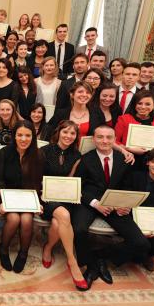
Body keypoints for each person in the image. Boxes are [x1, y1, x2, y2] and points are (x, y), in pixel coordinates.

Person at [73, 125, 150, 288]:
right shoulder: (85, 159)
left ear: (115, 140)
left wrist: (124, 204)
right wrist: (95, 204)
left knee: (141, 243)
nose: (104, 141)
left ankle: (100, 256)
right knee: (79, 229)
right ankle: (90, 266)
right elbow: (77, 187)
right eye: (100, 137)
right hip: (90, 203)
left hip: (116, 205)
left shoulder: (125, 159)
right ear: (93, 139)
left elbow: (128, 186)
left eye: (109, 137)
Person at [41, 120, 88, 290]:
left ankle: (48, 247)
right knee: (65, 216)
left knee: (57, 222)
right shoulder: (44, 151)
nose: (68, 136)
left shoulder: (77, 155)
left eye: (72, 133)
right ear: (58, 132)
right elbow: (35, 178)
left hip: (63, 197)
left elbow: (70, 180)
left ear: (76, 137)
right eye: (65, 132)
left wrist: (73, 192)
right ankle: (72, 261)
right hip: (44, 196)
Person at [0, 120, 42, 273]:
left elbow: (38, 182)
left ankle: (23, 253)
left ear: (33, 137)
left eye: (28, 135)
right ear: (14, 136)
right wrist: (2, 202)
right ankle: (3, 249)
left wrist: (38, 202)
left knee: (27, 219)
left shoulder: (38, 154)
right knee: (14, 218)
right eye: (20, 135)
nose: (23, 139)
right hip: (7, 196)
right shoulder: (4, 153)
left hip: (28, 198)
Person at [114, 90, 154, 168]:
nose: (143, 107)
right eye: (139, 103)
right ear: (134, 104)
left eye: (147, 104)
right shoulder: (124, 119)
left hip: (151, 163)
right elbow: (114, 142)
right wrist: (129, 149)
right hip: (128, 160)